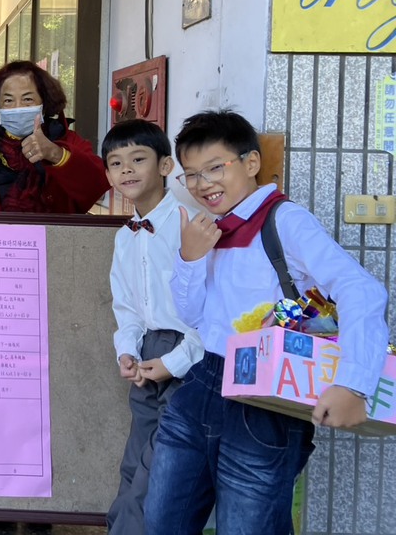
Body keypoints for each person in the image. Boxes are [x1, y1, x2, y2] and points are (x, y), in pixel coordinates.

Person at [144, 110, 390, 534]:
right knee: (162, 523)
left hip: (263, 400)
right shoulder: (211, 229)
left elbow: (361, 290)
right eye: (192, 175)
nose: (203, 184)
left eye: (215, 168)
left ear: (251, 163)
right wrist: (190, 257)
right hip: (202, 384)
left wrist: (353, 383)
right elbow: (193, 316)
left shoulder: (285, 220)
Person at [101, 119, 203, 535]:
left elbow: (211, 312)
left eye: (138, 159)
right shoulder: (126, 237)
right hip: (146, 354)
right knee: (134, 461)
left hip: (189, 356)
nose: (126, 169)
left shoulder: (191, 224)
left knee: (157, 468)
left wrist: (173, 362)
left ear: (165, 166)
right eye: (116, 163)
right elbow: (126, 305)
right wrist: (126, 350)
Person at [0, 60, 108, 212]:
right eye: (8, 100)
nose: (18, 107)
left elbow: (98, 185)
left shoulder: (68, 140)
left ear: (44, 103)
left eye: (28, 99)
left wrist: (55, 154)